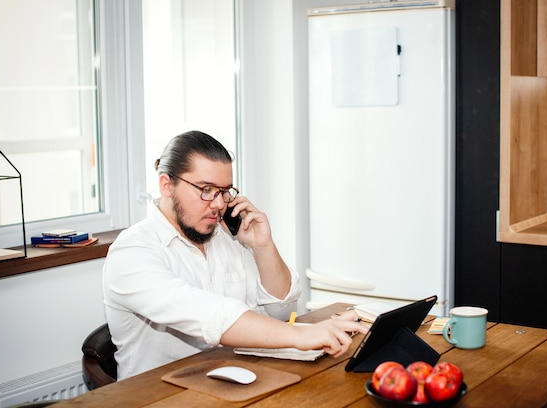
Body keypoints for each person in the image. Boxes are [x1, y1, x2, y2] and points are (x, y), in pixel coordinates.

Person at [103, 130, 367, 380]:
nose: (219, 204)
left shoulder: (226, 240)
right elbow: (210, 314)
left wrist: (263, 246)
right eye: (206, 189)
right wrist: (301, 336)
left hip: (229, 381)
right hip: (158, 396)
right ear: (166, 185)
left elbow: (279, 314)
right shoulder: (132, 253)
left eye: (224, 191)